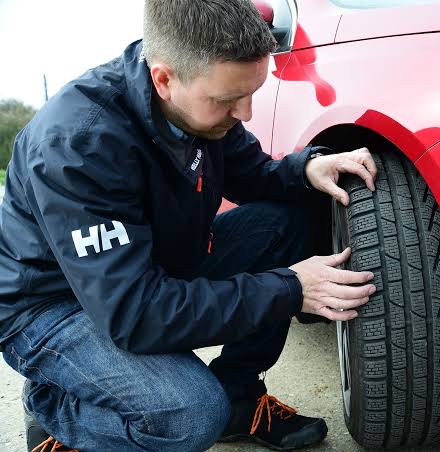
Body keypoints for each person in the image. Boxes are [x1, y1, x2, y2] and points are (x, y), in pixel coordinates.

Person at [0, 0, 378, 450]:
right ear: (163, 79)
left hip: (146, 267)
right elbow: (136, 315)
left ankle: (240, 399)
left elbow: (252, 172)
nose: (246, 113)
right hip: (53, 306)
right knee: (192, 414)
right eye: (227, 100)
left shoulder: (196, 100)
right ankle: (56, 404)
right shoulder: (79, 147)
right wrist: (293, 288)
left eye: (251, 92)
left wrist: (304, 170)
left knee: (292, 220)